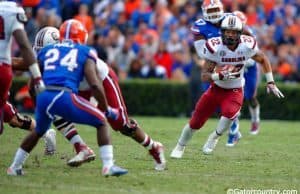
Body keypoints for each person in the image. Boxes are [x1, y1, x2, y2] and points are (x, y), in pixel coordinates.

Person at [7, 19, 128, 177]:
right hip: (62, 93)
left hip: (45, 97)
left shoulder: (45, 52)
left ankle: (15, 166)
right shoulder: (83, 51)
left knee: (39, 130)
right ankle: (108, 165)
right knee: (101, 120)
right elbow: (95, 85)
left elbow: (31, 81)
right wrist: (107, 110)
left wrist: (38, 103)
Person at [170, 15, 284, 157]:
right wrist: (219, 76)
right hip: (216, 89)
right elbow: (204, 76)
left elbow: (263, 59)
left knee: (231, 114)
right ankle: (180, 146)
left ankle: (214, 137)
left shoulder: (247, 45)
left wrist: (270, 81)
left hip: (234, 89)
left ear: (240, 33)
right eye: (227, 31)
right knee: (195, 122)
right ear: (222, 31)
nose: (230, 35)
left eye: (233, 32)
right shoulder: (215, 47)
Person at [0, 1, 45, 134]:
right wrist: (37, 76)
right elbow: (24, 45)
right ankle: (45, 133)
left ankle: (45, 132)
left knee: (10, 116)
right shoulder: (12, 10)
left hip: (3, 66)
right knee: (9, 115)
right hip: (3, 68)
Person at [232, 11, 261, 136]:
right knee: (232, 97)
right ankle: (234, 127)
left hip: (249, 68)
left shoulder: (249, 35)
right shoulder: (226, 34)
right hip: (236, 67)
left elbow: (253, 58)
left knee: (251, 97)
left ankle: (255, 120)